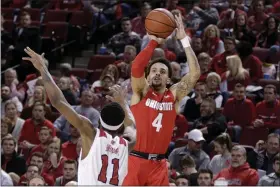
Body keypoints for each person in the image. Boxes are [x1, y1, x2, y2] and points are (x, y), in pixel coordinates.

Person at [23, 48, 136, 186]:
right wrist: (123, 103)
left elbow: (58, 101)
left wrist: (43, 70)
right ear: (120, 125)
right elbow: (132, 125)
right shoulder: (127, 143)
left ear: (100, 120)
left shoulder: (92, 134)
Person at [123, 13, 200, 186]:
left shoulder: (173, 95)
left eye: (163, 71)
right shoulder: (140, 91)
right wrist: (153, 42)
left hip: (159, 164)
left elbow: (195, 74)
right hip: (136, 161)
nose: (158, 73)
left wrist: (184, 40)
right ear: (148, 77)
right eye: (154, 70)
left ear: (169, 80)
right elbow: (136, 67)